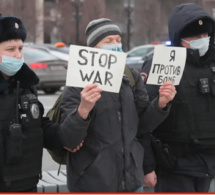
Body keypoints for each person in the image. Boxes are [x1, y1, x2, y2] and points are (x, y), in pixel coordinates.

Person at [58, 18, 176, 192]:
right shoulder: (77, 83)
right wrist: (83, 110)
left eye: (118, 40)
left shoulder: (131, 77)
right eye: (109, 41)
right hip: (93, 183)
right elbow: (68, 139)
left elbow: (143, 125)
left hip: (131, 180)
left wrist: (161, 104)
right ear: (94, 48)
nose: (116, 44)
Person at [0, 16, 84, 192]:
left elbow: (38, 125)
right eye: (10, 49)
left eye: (20, 48)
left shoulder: (25, 84)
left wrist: (61, 138)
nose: (18, 54)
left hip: (27, 182)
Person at [141, 3, 215, 192]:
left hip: (207, 164)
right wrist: (147, 166)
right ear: (179, 38)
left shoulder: (211, 63)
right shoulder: (161, 63)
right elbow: (142, 123)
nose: (202, 40)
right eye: (195, 36)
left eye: (205, 35)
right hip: (173, 166)